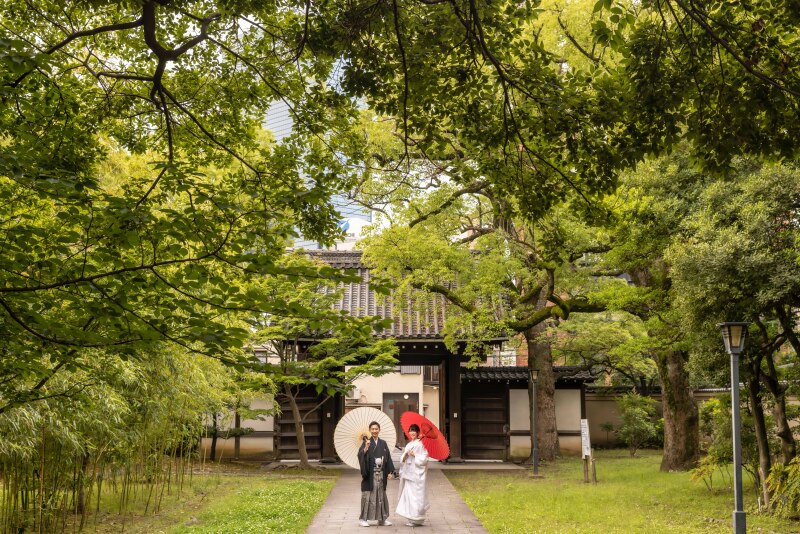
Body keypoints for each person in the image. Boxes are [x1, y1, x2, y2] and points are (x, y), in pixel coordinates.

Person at [357, 421, 395, 527]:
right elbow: (360, 455)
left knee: (381, 496)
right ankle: (363, 519)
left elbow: (388, 458)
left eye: (376, 429)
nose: (374, 431)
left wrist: (390, 472)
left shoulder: (383, 443)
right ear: (369, 430)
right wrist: (365, 448)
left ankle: (382, 519)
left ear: (379, 430)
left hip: (381, 474)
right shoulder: (366, 442)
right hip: (370, 474)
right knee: (368, 496)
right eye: (372, 429)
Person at [396, 424, 430, 527]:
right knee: (409, 495)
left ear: (418, 432)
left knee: (416, 496)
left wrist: (415, 455)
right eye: (410, 430)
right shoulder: (409, 444)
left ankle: (417, 518)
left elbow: (425, 458)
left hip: (416, 474)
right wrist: (405, 455)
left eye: (414, 430)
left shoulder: (421, 444)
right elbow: (403, 459)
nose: (412, 432)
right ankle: (411, 517)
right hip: (409, 473)